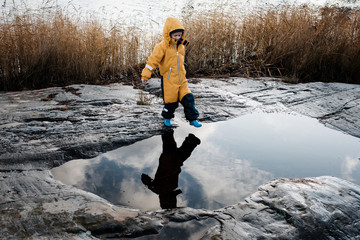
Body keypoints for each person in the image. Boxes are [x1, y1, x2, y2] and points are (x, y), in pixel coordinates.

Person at [141, 17, 202, 128]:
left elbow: (186, 43)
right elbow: (152, 61)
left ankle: (192, 119)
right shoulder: (161, 47)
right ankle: (167, 118)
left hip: (181, 79)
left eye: (180, 35)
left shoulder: (181, 44)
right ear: (168, 34)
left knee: (188, 98)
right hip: (169, 80)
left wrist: (183, 40)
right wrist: (145, 75)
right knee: (171, 102)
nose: (178, 37)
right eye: (175, 35)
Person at [141, 129, 201, 209]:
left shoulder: (167, 188)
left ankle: (190, 140)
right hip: (169, 161)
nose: (174, 200)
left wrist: (146, 181)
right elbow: (145, 179)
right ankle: (189, 140)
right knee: (172, 146)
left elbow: (146, 180)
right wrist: (146, 180)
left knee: (175, 149)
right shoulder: (160, 189)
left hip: (170, 162)